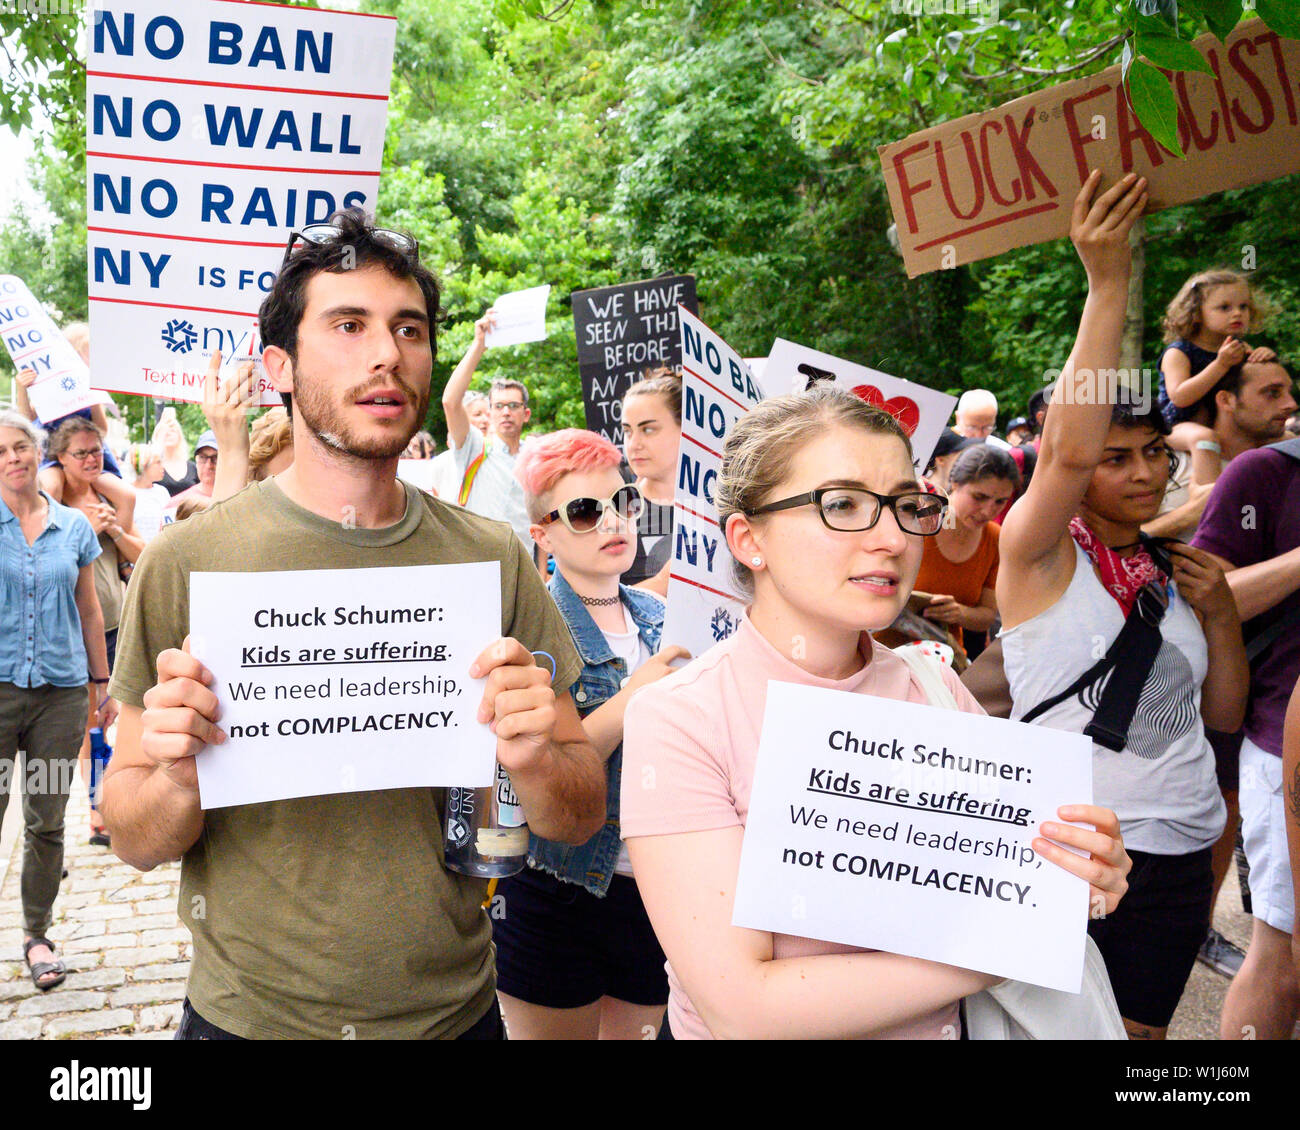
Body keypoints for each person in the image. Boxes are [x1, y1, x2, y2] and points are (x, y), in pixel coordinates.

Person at [100, 209, 605, 1040]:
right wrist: (178, 777)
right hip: (247, 1022)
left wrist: (535, 757)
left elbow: (577, 814)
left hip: (455, 1016)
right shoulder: (189, 560)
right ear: (281, 367)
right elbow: (131, 835)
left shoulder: (492, 558)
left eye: (409, 329)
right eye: (348, 325)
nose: (387, 353)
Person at [619, 382, 1132, 1040]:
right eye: (843, 504)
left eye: (907, 505)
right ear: (750, 540)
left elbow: (1026, 881)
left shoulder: (936, 688)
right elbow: (746, 1009)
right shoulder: (681, 719)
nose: (892, 538)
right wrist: (1016, 943)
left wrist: (1083, 875)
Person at [997, 171, 1248, 1041]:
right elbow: (1061, 453)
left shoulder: (1166, 570)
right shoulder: (1037, 556)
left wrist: (1217, 618)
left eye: (1153, 454)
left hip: (1183, 857)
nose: (1142, 472)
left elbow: (1217, 720)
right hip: (1081, 852)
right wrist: (1107, 283)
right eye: (1116, 458)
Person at [491, 429, 690, 1039]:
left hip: (658, 889)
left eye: (624, 502)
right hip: (557, 889)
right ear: (543, 534)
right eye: (584, 511)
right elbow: (536, 765)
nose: (613, 522)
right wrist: (636, 698)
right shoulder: (527, 633)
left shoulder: (666, 617)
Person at [0, 409, 115, 990]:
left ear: (36, 451)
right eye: (0, 451)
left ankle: (37, 935)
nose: (12, 458)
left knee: (45, 819)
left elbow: (90, 609)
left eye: (20, 446)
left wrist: (101, 684)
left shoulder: (72, 527)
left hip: (60, 697)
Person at [1192, 428, 1300, 1040]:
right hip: (1283, 737)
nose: (1284, 404)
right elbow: (1212, 597)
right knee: (1281, 949)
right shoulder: (1269, 473)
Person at [48, 418, 145, 847]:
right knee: (94, 727)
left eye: (97, 451)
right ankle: (98, 812)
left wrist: (115, 527)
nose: (92, 459)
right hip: (77, 631)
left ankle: (119, 804)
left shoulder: (107, 495)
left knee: (121, 721)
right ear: (59, 458)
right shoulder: (51, 502)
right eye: (81, 453)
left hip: (117, 622)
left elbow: (142, 552)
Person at [1157, 269, 1277, 486]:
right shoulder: (1179, 352)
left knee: (1283, 436)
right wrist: (1220, 365)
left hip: (1224, 429)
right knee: (1204, 439)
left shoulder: (1239, 348)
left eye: (1244, 307)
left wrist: (1262, 358)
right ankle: (1206, 498)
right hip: (1175, 427)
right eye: (1224, 307)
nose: (1237, 313)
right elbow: (1179, 397)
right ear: (1196, 313)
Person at [440, 311, 538, 565]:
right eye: (499, 406)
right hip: (478, 568)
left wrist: (542, 574)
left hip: (523, 570)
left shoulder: (535, 457)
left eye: (513, 406)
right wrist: (478, 346)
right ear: (491, 412)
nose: (506, 412)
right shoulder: (474, 449)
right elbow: (450, 401)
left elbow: (544, 518)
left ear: (526, 414)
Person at [916, 444, 1018, 655]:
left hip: (942, 658)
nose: (988, 510)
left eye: (1000, 502)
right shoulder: (921, 519)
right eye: (979, 497)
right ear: (955, 483)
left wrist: (959, 613)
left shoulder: (996, 538)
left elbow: (987, 617)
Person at [620, 368, 681, 592]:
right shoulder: (618, 508)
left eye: (648, 429)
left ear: (686, 430)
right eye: (628, 431)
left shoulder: (719, 505)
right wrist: (663, 584)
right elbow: (600, 604)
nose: (634, 444)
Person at [125, 443, 171, 541]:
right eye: (158, 462)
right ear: (144, 465)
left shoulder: (162, 492)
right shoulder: (127, 493)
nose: (162, 466)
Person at [167, 431, 219, 511]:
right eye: (202, 457)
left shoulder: (239, 501)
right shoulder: (177, 506)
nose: (208, 465)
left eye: (215, 458)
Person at [151, 408, 198, 496]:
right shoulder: (152, 466)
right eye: (165, 431)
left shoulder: (193, 468)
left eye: (173, 430)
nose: (168, 433)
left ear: (179, 437)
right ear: (158, 436)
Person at [922, 429, 979, 493]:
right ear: (941, 460)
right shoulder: (922, 492)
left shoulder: (957, 491)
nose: (966, 459)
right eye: (961, 455)